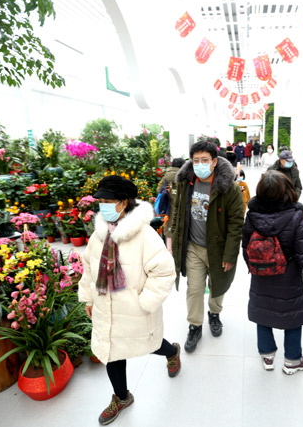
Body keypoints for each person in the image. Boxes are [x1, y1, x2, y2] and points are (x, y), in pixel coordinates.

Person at [78, 175, 181, 425]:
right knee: (112, 351)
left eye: (107, 201)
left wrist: (145, 302)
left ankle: (172, 352)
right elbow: (89, 268)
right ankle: (122, 397)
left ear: (123, 203)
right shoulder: (99, 234)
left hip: (135, 309)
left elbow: (165, 271)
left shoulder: (145, 235)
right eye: (99, 201)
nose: (102, 206)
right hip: (106, 306)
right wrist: (88, 298)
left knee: (152, 344)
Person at [242, 171, 303, 374]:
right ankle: (292, 360)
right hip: (288, 275)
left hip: (260, 274)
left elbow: (245, 245)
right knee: (292, 317)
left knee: (262, 313)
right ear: (287, 191)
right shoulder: (295, 216)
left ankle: (267, 356)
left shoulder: (252, 215)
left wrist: (254, 266)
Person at [169, 141, 245, 353]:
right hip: (193, 246)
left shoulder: (228, 188)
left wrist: (230, 255)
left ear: (214, 162)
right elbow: (178, 212)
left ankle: (214, 313)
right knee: (194, 289)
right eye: (195, 161)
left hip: (217, 249)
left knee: (217, 285)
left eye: (205, 160)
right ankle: (195, 325)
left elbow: (237, 223)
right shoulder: (187, 183)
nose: (200, 164)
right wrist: (173, 242)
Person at [157, 158, 186, 244]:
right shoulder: (184, 176)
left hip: (168, 209)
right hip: (181, 209)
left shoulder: (166, 176)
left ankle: (170, 252)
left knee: (169, 234)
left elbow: (159, 190)